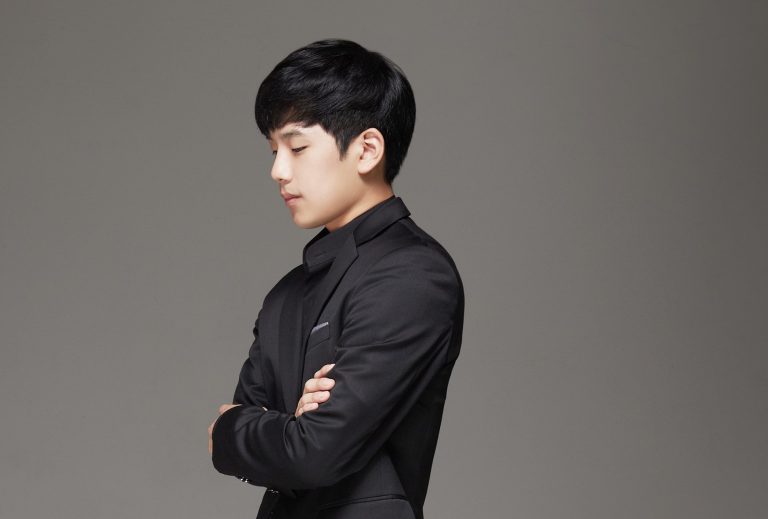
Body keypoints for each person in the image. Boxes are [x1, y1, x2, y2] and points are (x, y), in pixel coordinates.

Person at [208, 38, 465, 519]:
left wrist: (244, 430)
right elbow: (252, 419)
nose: (277, 170)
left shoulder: (414, 274)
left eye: (297, 147)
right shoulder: (286, 294)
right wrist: (278, 428)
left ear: (367, 149)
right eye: (273, 150)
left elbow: (313, 452)